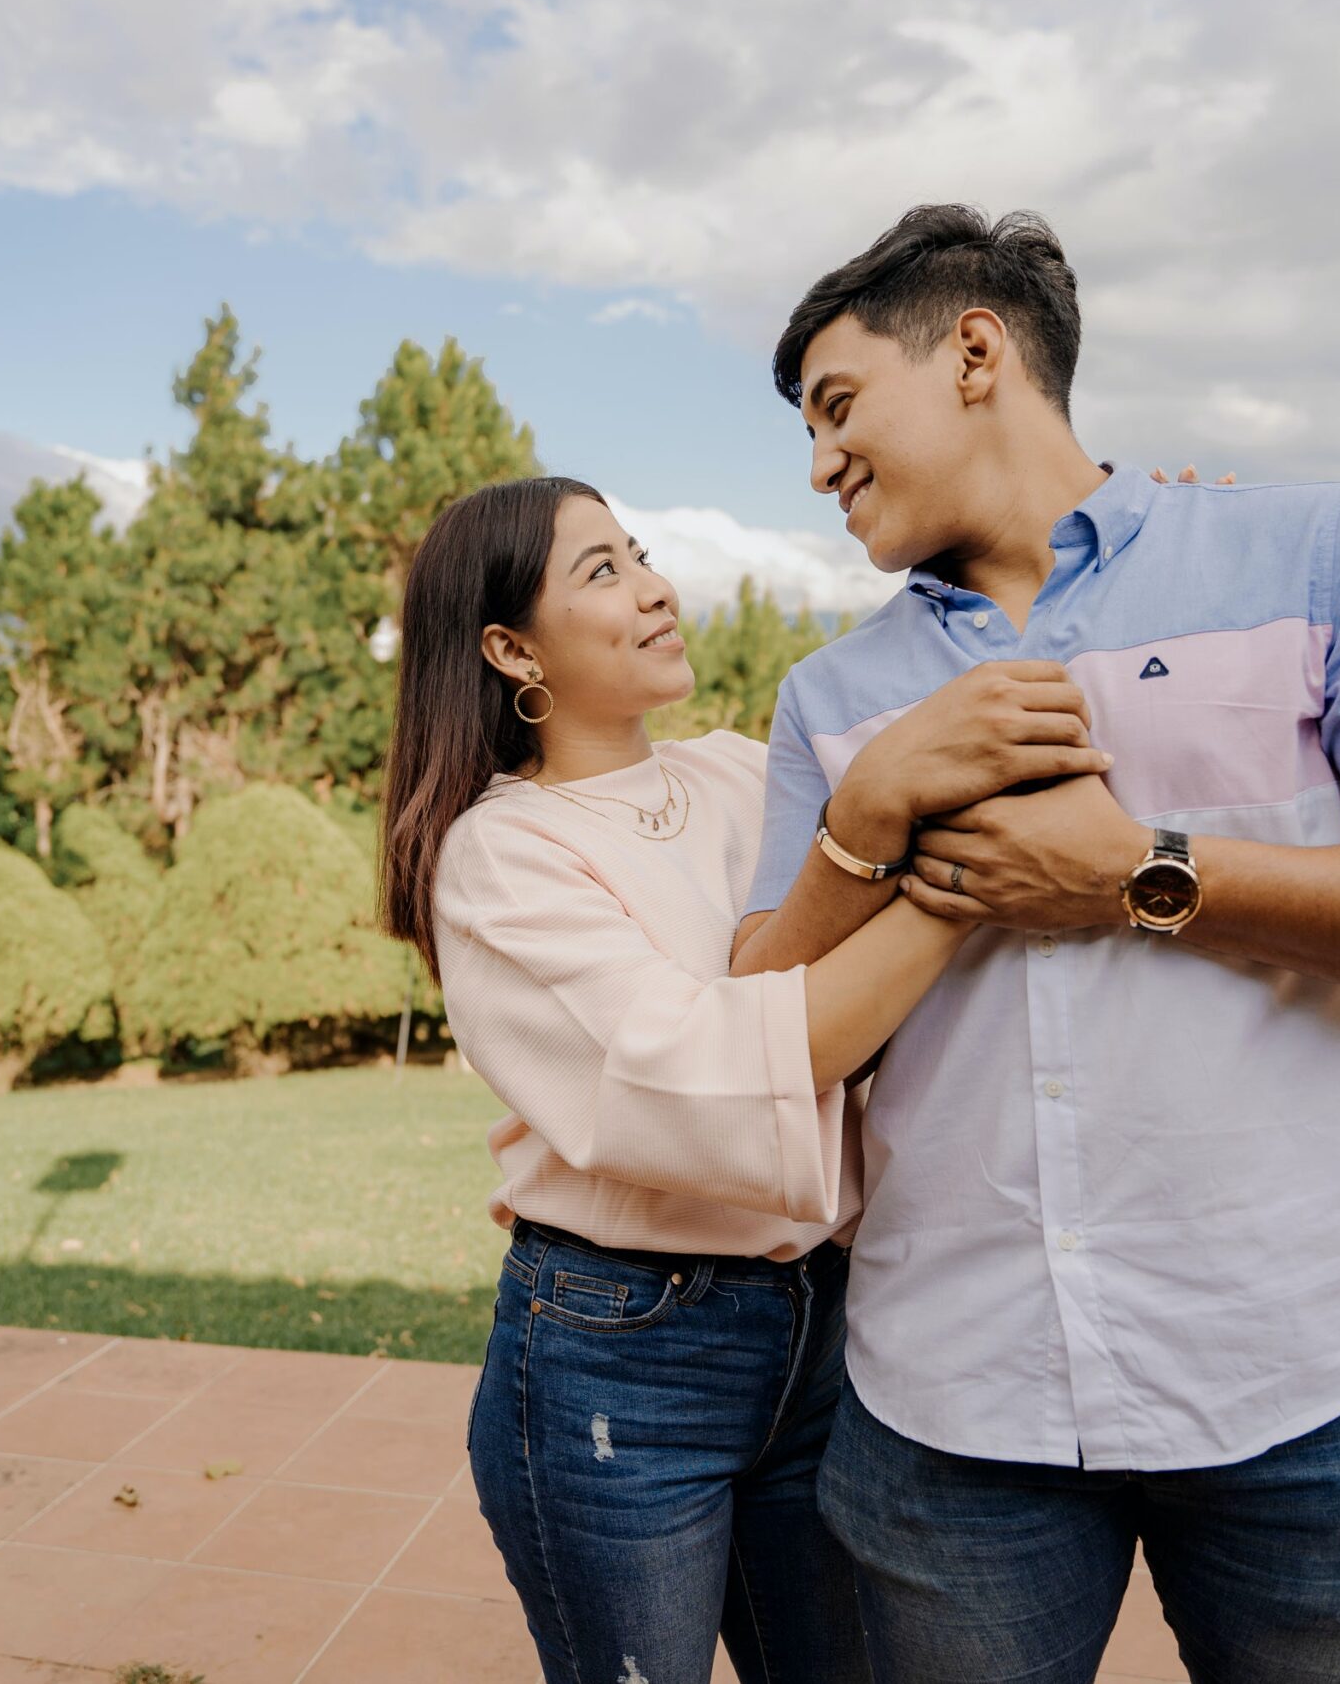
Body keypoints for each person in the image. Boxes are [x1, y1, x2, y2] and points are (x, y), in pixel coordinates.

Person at [733, 204, 1340, 1684]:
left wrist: (1142, 874)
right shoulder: (831, 694)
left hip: (1306, 1386)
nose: (818, 461)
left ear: (974, 351)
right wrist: (873, 808)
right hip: (949, 1415)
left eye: (836, 405)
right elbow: (760, 1023)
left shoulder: (1320, 552)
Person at [376, 473, 1120, 1684]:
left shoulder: (736, 771)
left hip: (822, 1336)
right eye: (601, 573)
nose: (655, 588)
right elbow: (723, 1064)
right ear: (512, 647)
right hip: (620, 1358)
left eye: (642, 554)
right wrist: (975, 893)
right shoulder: (500, 854)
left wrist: (1130, 547)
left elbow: (961, 756)